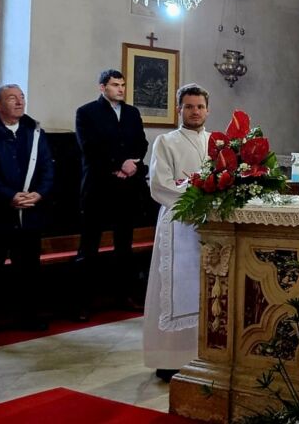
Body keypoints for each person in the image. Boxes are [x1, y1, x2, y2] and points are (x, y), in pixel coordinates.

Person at [0, 84, 54, 339]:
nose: (19, 102)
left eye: (22, 97)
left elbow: (47, 167)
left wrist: (39, 193)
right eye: (12, 98)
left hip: (29, 215)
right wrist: (8, 196)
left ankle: (29, 317)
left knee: (28, 270)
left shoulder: (34, 133)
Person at [143, 84, 211, 382]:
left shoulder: (217, 142)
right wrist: (196, 198)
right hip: (178, 224)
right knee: (174, 290)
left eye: (200, 106)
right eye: (189, 106)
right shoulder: (166, 142)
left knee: (205, 289)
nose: (195, 112)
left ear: (207, 110)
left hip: (212, 226)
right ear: (178, 109)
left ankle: (204, 353)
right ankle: (170, 357)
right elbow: (160, 184)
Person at [73, 69, 149, 320]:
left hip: (126, 188)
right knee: (89, 247)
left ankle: (124, 295)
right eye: (115, 85)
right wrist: (118, 165)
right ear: (102, 87)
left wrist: (132, 165)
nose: (120, 89)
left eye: (123, 85)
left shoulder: (132, 113)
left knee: (124, 247)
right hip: (98, 186)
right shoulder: (86, 112)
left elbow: (141, 143)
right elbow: (90, 147)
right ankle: (83, 303)